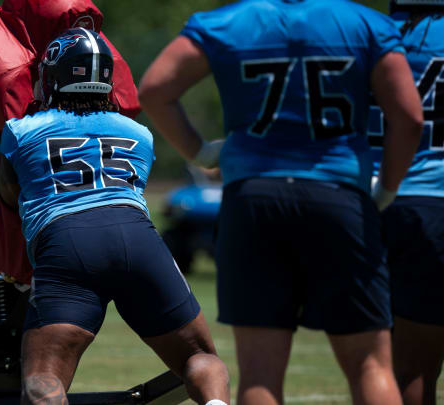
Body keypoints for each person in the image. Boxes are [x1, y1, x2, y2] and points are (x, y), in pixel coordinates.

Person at [138, 1, 424, 405]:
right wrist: (387, 190)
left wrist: (201, 153)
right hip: (339, 196)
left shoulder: (226, 22)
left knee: (260, 373)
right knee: (370, 366)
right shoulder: (365, 23)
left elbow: (154, 89)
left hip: (253, 199)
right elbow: (409, 119)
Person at [0, 27, 230, 405]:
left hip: (67, 242)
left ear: (52, 77)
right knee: (200, 357)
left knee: (44, 379)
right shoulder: (139, 133)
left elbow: (8, 195)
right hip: (138, 239)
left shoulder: (20, 131)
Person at [0, 0, 140, 285]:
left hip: (71, 223)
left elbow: (126, 107)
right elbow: (31, 135)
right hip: (117, 229)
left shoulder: (77, 31)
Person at [369, 2, 444, 404]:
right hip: (435, 201)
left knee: (375, 366)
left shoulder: (363, 31)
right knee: (418, 369)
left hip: (367, 201)